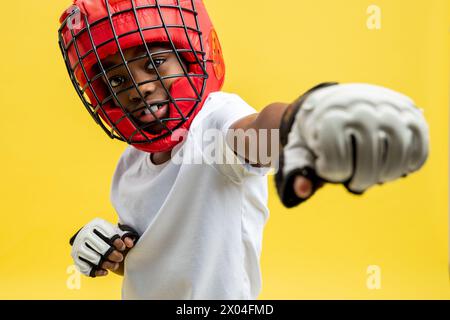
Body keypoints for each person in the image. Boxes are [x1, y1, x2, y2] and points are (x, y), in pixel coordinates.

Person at [59, 0, 429, 299]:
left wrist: (302, 121)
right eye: (118, 79)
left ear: (190, 58)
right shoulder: (130, 164)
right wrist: (107, 246)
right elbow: (151, 255)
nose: (139, 87)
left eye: (155, 63)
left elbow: (256, 134)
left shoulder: (215, 119)